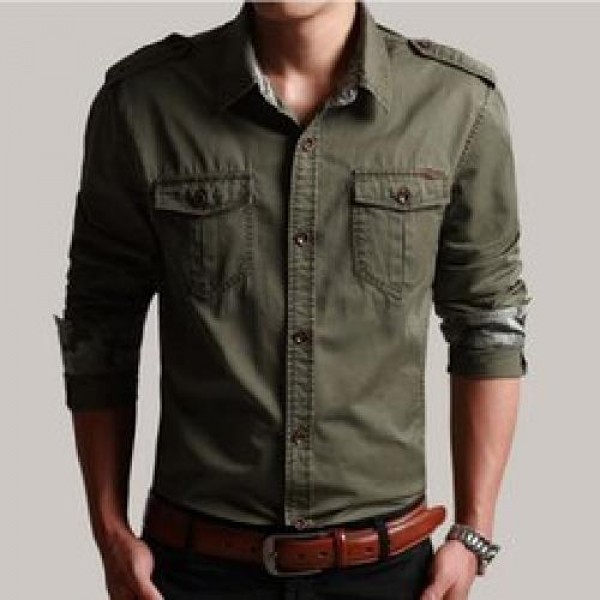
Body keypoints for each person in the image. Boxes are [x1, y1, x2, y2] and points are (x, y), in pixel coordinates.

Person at [53, 1, 531, 599]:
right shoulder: (143, 103)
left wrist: (474, 531)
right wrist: (108, 530)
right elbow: (100, 326)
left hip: (388, 574)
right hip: (195, 570)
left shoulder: (456, 104)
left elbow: (489, 323)